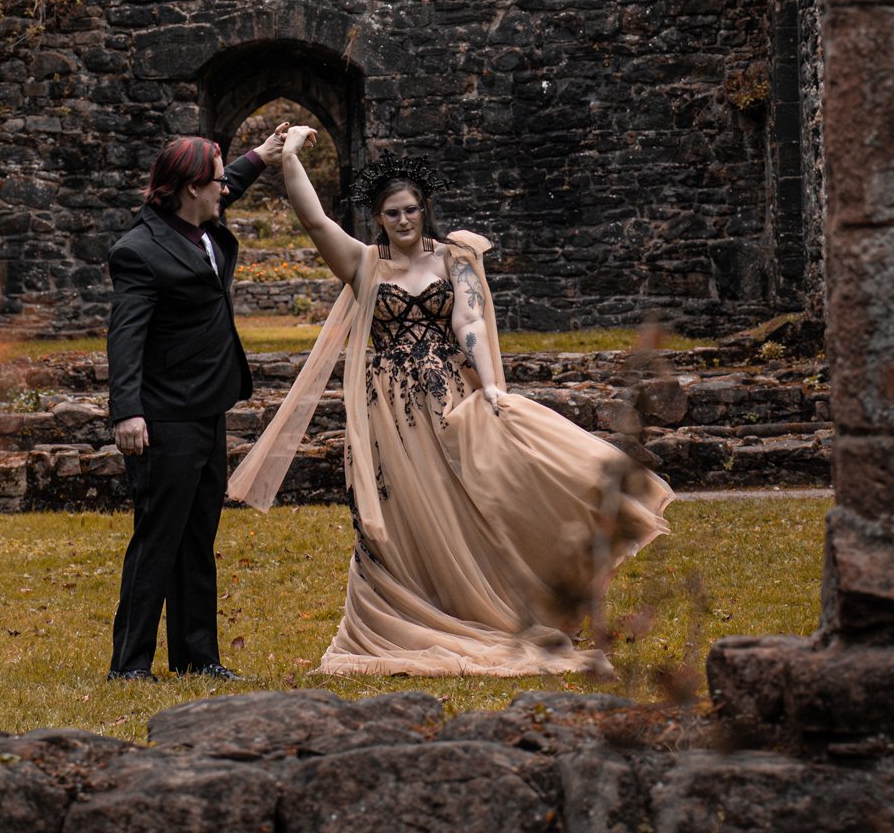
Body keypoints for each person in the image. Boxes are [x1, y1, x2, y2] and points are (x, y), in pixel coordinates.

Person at [228, 129, 672, 676]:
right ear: (379, 218)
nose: (404, 220)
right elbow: (317, 222)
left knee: (466, 503)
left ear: (425, 209)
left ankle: (492, 604)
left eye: (412, 209)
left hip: (449, 401)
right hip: (387, 412)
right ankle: (410, 608)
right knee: (401, 517)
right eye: (392, 213)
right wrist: (290, 158)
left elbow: (469, 321)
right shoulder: (364, 264)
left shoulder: (455, 259)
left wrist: (490, 385)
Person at [106, 124, 288, 681]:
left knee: (197, 539)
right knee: (158, 540)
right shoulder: (138, 251)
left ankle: (196, 658)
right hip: (164, 416)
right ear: (189, 189)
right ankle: (130, 665)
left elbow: (230, 179)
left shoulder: (202, 220)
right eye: (214, 183)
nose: (223, 191)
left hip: (209, 406)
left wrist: (263, 155)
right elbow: (125, 335)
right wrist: (127, 411)